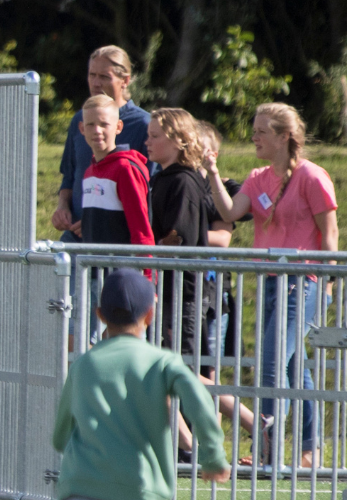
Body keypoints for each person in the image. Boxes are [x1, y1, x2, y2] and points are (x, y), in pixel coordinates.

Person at [203, 102, 337, 468]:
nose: (254, 137)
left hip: (302, 282)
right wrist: (213, 173)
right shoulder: (257, 176)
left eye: (262, 131)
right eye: (254, 131)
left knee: (271, 363)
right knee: (294, 368)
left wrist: (328, 283)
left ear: (284, 137)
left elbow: (330, 234)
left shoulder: (312, 176)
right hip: (269, 282)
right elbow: (231, 212)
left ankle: (268, 449)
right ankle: (309, 451)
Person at [139, 109, 261, 458]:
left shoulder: (182, 181)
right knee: (171, 369)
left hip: (182, 292)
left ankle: (251, 424)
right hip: (171, 289)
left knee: (184, 369)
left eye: (155, 136)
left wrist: (141, 250)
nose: (147, 141)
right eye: (148, 135)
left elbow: (177, 238)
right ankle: (188, 445)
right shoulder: (166, 178)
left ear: (179, 141)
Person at [50, 268, 233, 500]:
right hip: (141, 488)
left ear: (100, 314)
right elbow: (199, 402)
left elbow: (61, 435)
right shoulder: (162, 362)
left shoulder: (82, 365)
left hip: (80, 487)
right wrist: (212, 455)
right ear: (150, 314)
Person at [50, 45, 154, 243]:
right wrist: (62, 207)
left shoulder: (144, 125)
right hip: (75, 236)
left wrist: (95, 223)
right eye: (92, 75)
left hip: (116, 238)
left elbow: (149, 190)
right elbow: (70, 176)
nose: (96, 83)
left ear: (125, 81)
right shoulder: (79, 119)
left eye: (104, 77)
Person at [72, 94, 155, 248]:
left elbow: (141, 230)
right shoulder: (89, 172)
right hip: (93, 262)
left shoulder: (125, 169)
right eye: (90, 124)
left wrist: (144, 263)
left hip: (122, 262)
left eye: (104, 124)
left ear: (118, 127)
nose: (97, 130)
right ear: (82, 128)